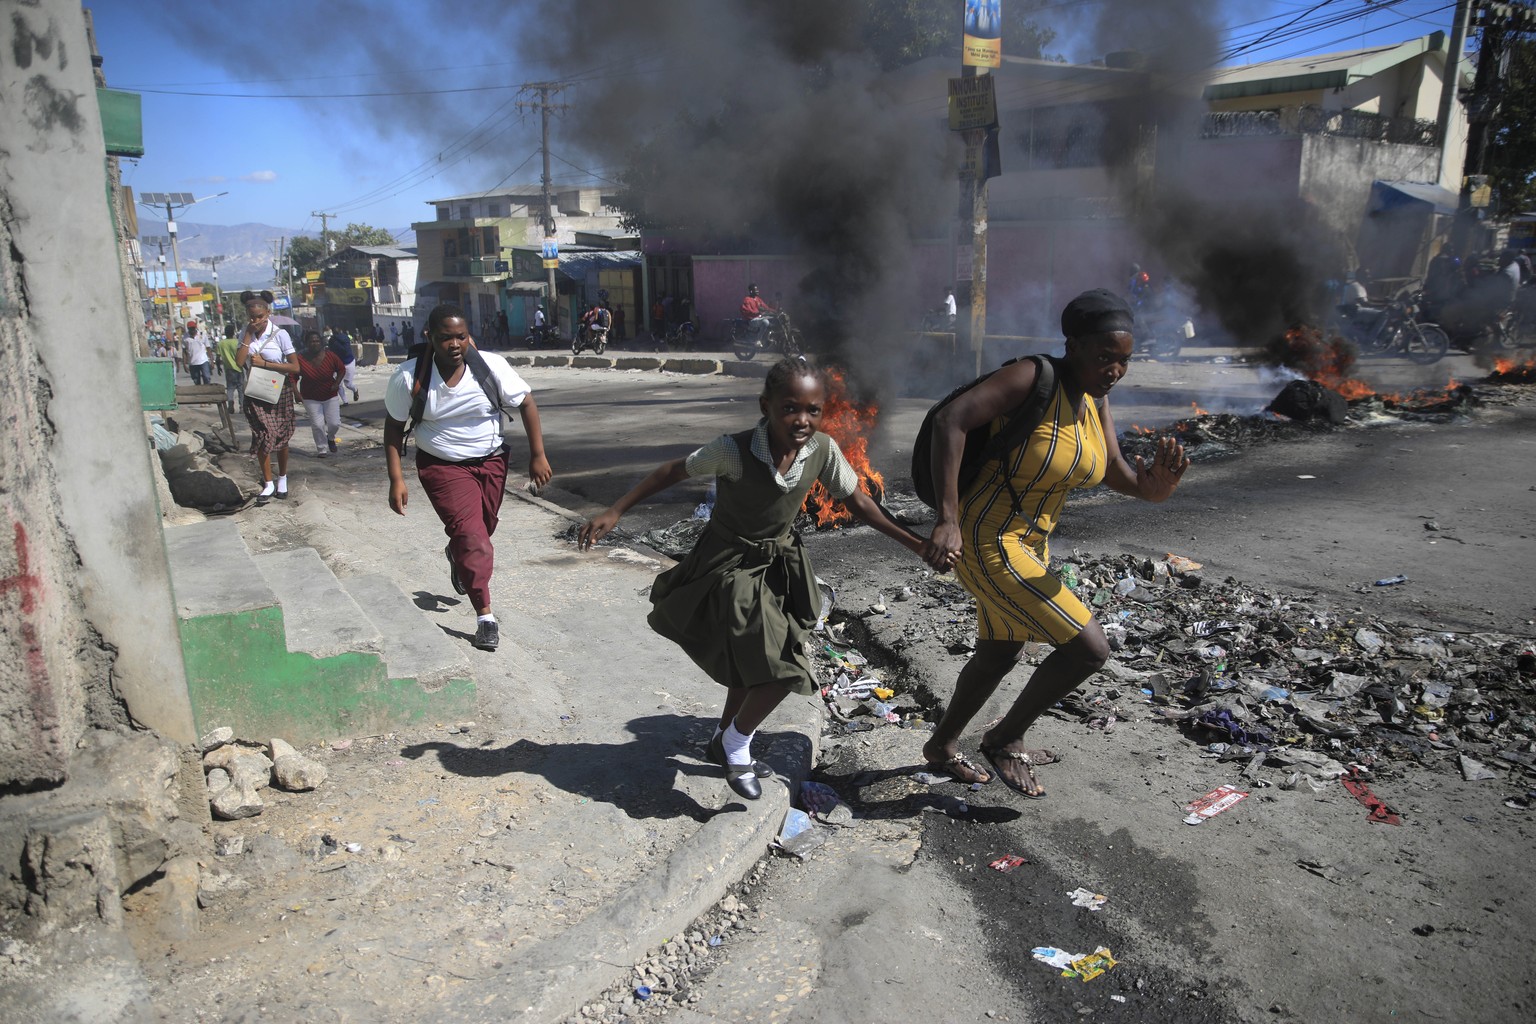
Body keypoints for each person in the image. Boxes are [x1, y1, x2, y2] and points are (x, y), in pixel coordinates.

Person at [578, 358, 945, 799]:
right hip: (728, 565)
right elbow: (672, 471)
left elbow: (861, 503)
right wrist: (616, 510)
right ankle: (737, 744)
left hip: (779, 566)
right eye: (791, 408)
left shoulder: (822, 450)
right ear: (765, 405)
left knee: (752, 662)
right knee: (783, 669)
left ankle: (721, 739)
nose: (803, 420)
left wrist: (919, 545)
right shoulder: (733, 450)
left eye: (813, 410)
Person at [921, 289, 1190, 796]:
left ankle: (941, 746)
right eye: (1105, 356)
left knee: (1001, 649)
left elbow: (1114, 471)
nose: (1114, 369)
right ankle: (1005, 738)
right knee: (1089, 649)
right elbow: (949, 420)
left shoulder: (1095, 400)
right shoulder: (1032, 376)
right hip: (987, 536)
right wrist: (947, 517)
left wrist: (1156, 487)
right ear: (1074, 344)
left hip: (1030, 542)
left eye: (1124, 360)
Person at [383, 304, 552, 652]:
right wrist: (395, 478)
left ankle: (457, 553)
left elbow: (527, 403)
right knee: (473, 538)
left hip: (491, 462)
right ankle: (485, 618)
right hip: (443, 467)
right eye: (446, 338)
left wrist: (538, 455)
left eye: (461, 336)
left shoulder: (490, 367)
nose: (455, 344)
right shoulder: (409, 377)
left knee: (482, 530)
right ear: (430, 337)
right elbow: (393, 429)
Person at [235, 290, 300, 505]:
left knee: (280, 436)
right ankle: (268, 482)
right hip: (255, 392)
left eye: (259, 317)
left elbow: (295, 366)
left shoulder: (280, 334)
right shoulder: (245, 333)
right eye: (251, 317)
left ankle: (282, 478)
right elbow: (238, 362)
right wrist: (247, 335)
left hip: (278, 390)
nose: (255, 321)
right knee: (262, 435)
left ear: (268, 313)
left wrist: (266, 364)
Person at [296, 329, 347, 457]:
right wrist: (295, 393)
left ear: (321, 342)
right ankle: (322, 449)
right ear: (306, 343)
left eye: (317, 341)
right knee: (317, 425)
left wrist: (336, 384)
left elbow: (341, 369)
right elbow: (292, 376)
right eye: (312, 341)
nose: (315, 343)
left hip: (329, 394)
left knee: (334, 423)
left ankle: (331, 438)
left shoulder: (330, 356)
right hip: (310, 396)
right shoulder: (300, 358)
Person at [215, 324, 243, 415]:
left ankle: (230, 405)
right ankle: (242, 407)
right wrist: (246, 367)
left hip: (229, 369)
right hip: (239, 368)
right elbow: (241, 355)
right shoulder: (237, 342)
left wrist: (218, 368)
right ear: (233, 332)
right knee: (240, 389)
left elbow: (218, 358)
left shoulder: (221, 343)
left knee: (230, 388)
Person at [328, 326, 360, 404]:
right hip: (344, 363)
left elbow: (339, 351)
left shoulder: (337, 340)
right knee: (343, 384)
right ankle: (347, 400)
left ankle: (352, 394)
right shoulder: (343, 338)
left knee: (343, 384)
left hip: (346, 363)